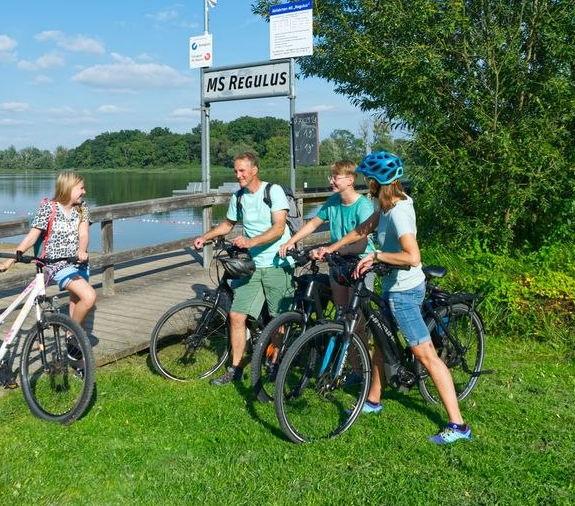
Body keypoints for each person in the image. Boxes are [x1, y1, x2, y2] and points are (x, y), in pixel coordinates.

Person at [317, 151, 472, 445]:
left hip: (404, 292)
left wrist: (377, 255)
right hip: (392, 287)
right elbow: (363, 230)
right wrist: (332, 247)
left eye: (368, 179)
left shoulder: (399, 212)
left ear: (377, 181)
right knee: (381, 342)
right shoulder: (387, 206)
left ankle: (458, 424)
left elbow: (413, 257)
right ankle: (373, 400)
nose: (365, 183)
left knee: (425, 355)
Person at [192, 152, 295, 386]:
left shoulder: (273, 191)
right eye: (236, 171)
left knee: (278, 319)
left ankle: (275, 364)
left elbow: (279, 228)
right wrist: (205, 237)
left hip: (278, 264)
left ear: (254, 170)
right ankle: (235, 368)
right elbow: (228, 224)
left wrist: (250, 242)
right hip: (253, 266)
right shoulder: (238, 197)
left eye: (242, 171)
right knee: (237, 315)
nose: (238, 175)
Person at [0, 171, 96, 335]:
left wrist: (81, 250)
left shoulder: (82, 208)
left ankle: (77, 355)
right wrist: (7, 264)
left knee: (77, 304)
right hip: (58, 264)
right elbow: (31, 238)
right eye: (81, 188)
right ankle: (71, 334)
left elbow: (84, 234)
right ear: (68, 188)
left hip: (79, 261)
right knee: (89, 297)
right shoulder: (49, 207)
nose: (85, 192)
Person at [279, 159, 376, 311]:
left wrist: (332, 250)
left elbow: (362, 244)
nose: (331, 181)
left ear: (350, 180)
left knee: (356, 316)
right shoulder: (333, 201)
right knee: (341, 311)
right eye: (331, 177)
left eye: (335, 177)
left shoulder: (363, 206)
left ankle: (362, 335)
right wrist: (291, 241)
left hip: (361, 262)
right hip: (337, 261)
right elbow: (312, 224)